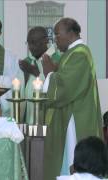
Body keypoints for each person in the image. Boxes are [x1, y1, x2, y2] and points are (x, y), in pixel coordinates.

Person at [42, 17, 104, 179]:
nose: (55, 40)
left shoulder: (80, 54)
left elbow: (66, 87)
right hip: (69, 116)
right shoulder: (71, 54)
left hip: (75, 119)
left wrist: (49, 73)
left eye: (57, 35)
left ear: (71, 33)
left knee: (71, 160)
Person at [19, 26, 60, 125]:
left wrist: (34, 71)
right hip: (28, 118)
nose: (31, 47)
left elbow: (56, 87)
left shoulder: (56, 60)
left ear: (45, 41)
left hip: (49, 119)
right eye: (29, 43)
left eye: (34, 42)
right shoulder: (27, 62)